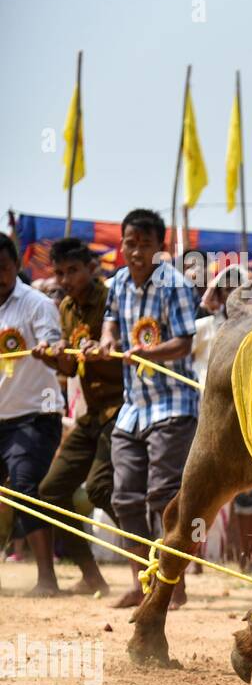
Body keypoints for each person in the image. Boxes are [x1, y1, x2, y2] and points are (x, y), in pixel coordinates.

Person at [85, 209, 200, 610]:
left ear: (159, 248)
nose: (135, 252)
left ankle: (173, 583)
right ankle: (145, 579)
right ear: (122, 245)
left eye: (144, 244)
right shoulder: (116, 282)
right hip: (132, 409)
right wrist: (105, 341)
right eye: (129, 243)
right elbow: (111, 323)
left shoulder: (177, 286)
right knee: (124, 498)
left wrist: (148, 352)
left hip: (173, 406)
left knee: (162, 497)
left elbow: (185, 343)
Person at [30, 238, 122, 596]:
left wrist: (103, 354)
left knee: (101, 489)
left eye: (73, 270)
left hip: (122, 410)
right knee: (50, 491)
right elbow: (68, 367)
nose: (66, 279)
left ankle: (151, 559)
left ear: (91, 269)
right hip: (90, 414)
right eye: (60, 273)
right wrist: (50, 356)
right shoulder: (65, 308)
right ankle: (91, 576)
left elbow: (127, 353)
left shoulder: (112, 300)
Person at [0, 232, 65, 596]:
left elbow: (55, 347)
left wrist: (48, 350)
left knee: (25, 488)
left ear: (15, 267)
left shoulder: (37, 304)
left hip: (36, 416)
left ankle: (47, 579)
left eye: (3, 268)